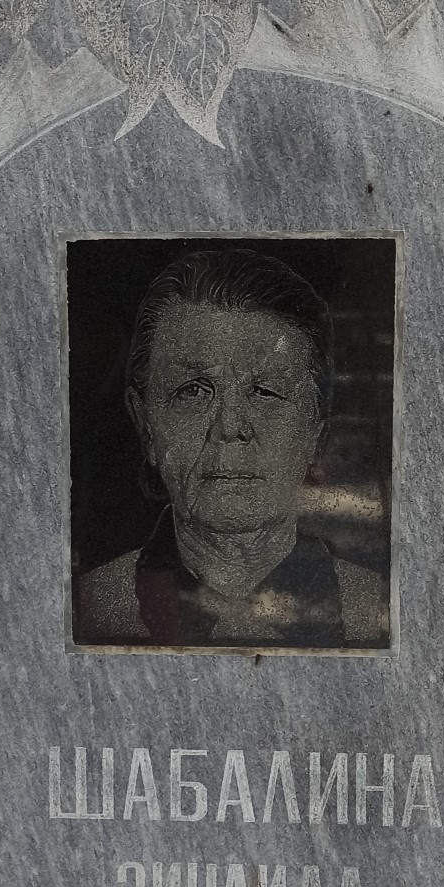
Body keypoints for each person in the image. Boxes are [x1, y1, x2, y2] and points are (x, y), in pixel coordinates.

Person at [73, 247, 390, 649]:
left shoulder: (384, 609)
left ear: (315, 431)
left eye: (265, 391)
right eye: (193, 390)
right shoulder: (86, 609)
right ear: (145, 424)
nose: (229, 426)